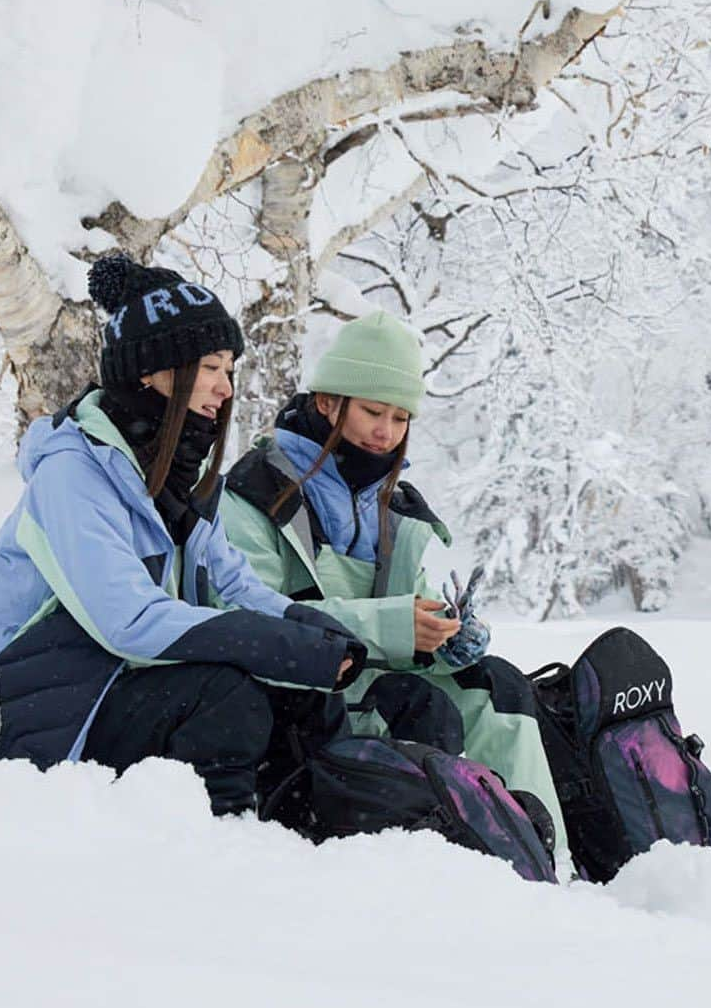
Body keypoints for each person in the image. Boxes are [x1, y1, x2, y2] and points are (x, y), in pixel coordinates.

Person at [0, 254, 362, 816]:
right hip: (38, 692)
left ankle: (317, 837)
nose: (226, 388)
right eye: (211, 367)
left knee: (299, 692)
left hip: (113, 676)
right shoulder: (74, 473)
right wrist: (262, 641)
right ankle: (214, 850)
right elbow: (126, 618)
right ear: (152, 372)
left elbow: (233, 583)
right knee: (223, 695)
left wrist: (301, 626)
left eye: (229, 369)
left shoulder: (183, 473)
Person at [222, 310, 564, 851]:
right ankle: (451, 857)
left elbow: (408, 626)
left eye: (401, 418)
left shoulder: (395, 510)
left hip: (372, 684)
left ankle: (545, 861)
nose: (386, 433)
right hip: (299, 700)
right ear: (328, 402)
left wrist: (445, 641)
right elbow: (248, 621)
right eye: (373, 412)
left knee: (496, 686)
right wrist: (391, 626)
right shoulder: (254, 495)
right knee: (416, 705)